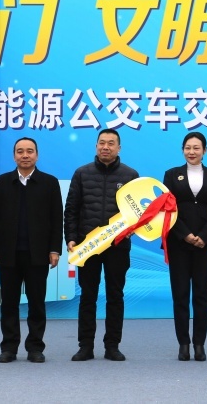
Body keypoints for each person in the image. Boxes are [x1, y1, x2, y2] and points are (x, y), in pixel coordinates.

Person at [0, 137, 63, 364]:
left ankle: (35, 347)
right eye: (20, 151)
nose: (25, 155)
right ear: (14, 156)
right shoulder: (2, 182)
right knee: (9, 303)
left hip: (38, 253)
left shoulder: (49, 183)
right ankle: (9, 348)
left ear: (37, 155)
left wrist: (54, 249)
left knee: (36, 303)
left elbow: (56, 219)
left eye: (30, 151)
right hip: (8, 253)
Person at [65, 129, 139, 361]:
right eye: (102, 143)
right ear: (96, 146)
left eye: (111, 143)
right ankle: (85, 346)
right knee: (88, 296)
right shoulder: (82, 173)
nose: (105, 147)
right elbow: (71, 209)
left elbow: (139, 212)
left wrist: (131, 230)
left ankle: (112, 346)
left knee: (115, 295)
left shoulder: (130, 175)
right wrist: (71, 238)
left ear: (119, 148)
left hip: (118, 246)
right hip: (88, 245)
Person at [162, 132, 207, 362]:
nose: (192, 152)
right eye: (188, 147)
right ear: (182, 150)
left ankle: (199, 344)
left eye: (196, 148)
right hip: (178, 242)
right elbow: (167, 207)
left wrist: (203, 236)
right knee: (180, 295)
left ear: (204, 150)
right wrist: (186, 234)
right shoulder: (171, 175)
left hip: (205, 244)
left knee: (201, 294)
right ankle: (183, 344)